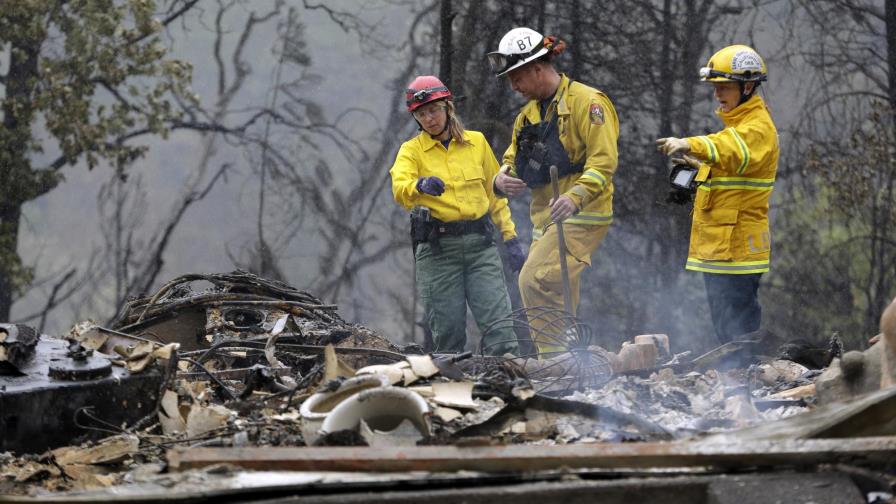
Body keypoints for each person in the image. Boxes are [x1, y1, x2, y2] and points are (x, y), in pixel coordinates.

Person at [488, 28, 619, 354]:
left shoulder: (589, 103)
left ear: (537, 68)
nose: (513, 86)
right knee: (558, 293)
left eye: (516, 77)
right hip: (544, 218)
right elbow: (511, 159)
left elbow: (603, 162)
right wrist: (501, 179)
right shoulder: (527, 116)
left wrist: (575, 197)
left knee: (532, 279)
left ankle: (552, 363)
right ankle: (572, 365)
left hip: (583, 214)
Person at [390, 75, 524, 356]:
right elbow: (399, 187)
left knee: (500, 328)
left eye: (434, 110)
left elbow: (494, 193)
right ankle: (454, 392)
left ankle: (511, 387)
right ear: (416, 118)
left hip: (480, 247)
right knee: (448, 333)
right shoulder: (411, 152)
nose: (429, 118)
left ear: (448, 108)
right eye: (422, 114)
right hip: (438, 251)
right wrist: (419, 185)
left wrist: (510, 237)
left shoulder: (477, 143)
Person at [656, 44, 779, 344]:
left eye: (724, 87)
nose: (717, 95)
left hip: (738, 248)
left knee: (739, 333)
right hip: (721, 249)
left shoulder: (757, 128)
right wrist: (698, 168)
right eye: (715, 87)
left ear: (748, 86)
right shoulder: (740, 127)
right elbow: (731, 168)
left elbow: (728, 147)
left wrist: (690, 144)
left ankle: (748, 382)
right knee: (726, 331)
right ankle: (738, 380)